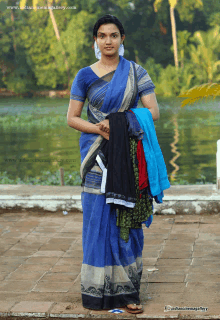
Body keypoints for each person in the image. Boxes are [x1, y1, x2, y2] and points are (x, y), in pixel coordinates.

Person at [67, 14, 160, 314]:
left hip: (128, 157)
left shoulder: (136, 72)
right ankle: (97, 292)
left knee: (126, 221)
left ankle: (128, 293)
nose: (108, 41)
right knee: (97, 220)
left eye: (114, 35)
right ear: (95, 40)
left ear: (122, 40)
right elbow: (72, 118)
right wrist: (98, 128)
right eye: (103, 36)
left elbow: (154, 112)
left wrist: (118, 123)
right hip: (96, 157)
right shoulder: (84, 76)